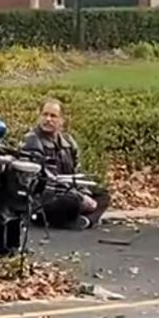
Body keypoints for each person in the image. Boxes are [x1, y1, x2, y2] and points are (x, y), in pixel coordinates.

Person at [21, 98, 111, 230]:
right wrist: (80, 198)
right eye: (45, 114)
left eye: (53, 116)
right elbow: (47, 181)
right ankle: (72, 219)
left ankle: (86, 220)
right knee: (71, 201)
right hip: (42, 198)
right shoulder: (32, 141)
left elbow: (77, 173)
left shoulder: (68, 142)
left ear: (61, 120)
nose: (48, 119)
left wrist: (84, 193)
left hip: (67, 191)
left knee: (103, 195)